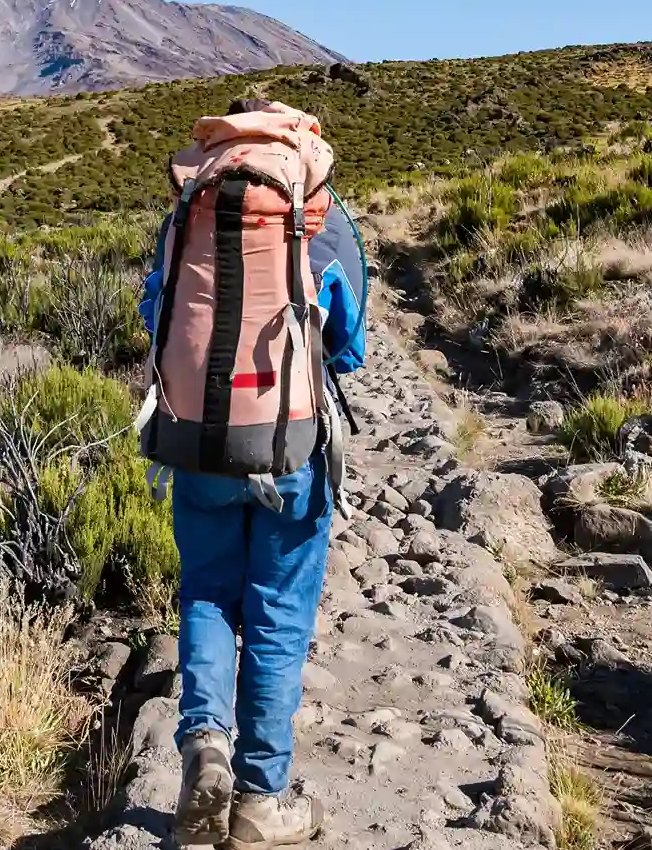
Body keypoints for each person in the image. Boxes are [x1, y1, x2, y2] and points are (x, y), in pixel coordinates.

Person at [137, 100, 367, 848]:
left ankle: (204, 741)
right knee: (277, 612)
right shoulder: (318, 218)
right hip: (290, 443)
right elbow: (350, 342)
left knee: (206, 591)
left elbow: (156, 311)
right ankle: (260, 798)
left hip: (196, 439)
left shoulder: (190, 213)